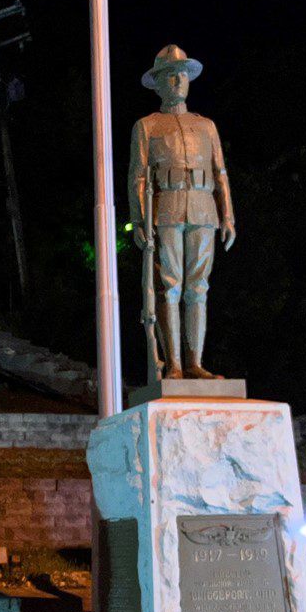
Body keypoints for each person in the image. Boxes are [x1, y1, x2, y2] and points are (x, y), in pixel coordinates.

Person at [127, 45, 236, 380]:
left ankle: (195, 363)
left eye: (182, 74)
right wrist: (140, 217)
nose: (177, 80)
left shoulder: (206, 127)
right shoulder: (147, 126)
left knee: (198, 287)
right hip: (167, 210)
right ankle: (173, 364)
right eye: (170, 75)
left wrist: (228, 215)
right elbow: (138, 175)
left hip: (204, 209)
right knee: (170, 284)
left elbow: (220, 173)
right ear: (158, 83)